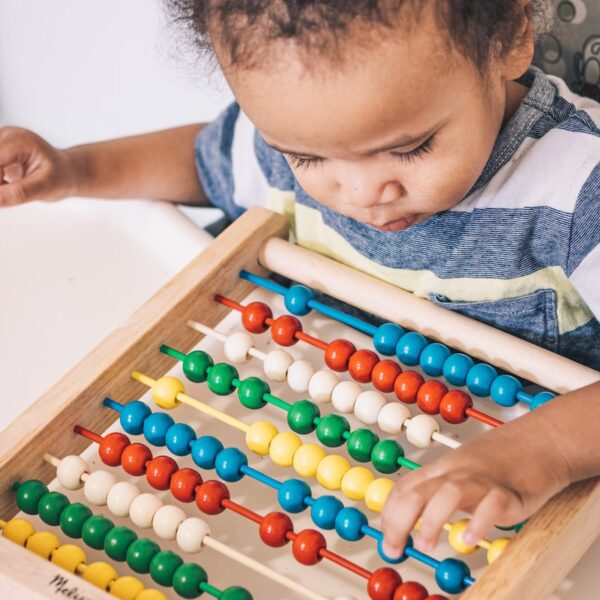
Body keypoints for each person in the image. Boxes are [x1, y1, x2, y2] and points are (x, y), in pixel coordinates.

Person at [0, 0, 598, 565]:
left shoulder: (578, 191)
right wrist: (74, 169)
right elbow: (207, 164)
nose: (362, 195)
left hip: (526, 488)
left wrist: (540, 452)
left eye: (412, 148)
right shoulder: (293, 131)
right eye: (307, 160)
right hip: (350, 448)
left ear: (511, 37)